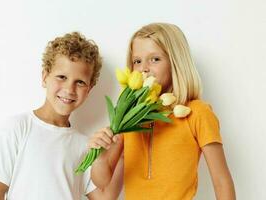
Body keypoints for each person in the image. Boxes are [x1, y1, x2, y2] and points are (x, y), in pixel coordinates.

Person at [89, 23, 236, 200]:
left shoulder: (196, 113)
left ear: (175, 62)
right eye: (137, 61)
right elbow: (102, 181)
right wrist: (100, 156)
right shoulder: (128, 119)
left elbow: (221, 181)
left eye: (155, 59)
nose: (144, 68)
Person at [0, 32, 121, 200]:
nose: (69, 89)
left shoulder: (85, 145)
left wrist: (122, 150)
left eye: (80, 82)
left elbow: (104, 198)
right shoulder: (17, 128)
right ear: (45, 77)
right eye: (62, 77)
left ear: (89, 89)